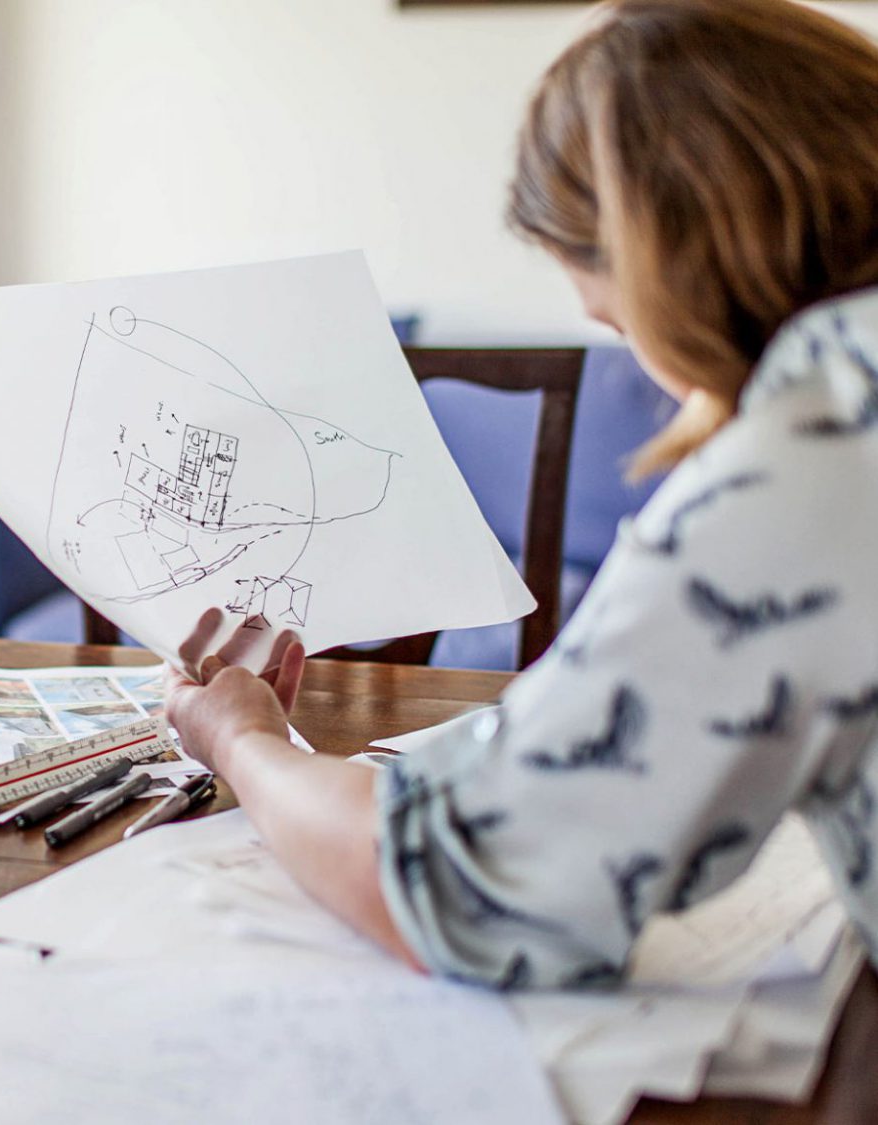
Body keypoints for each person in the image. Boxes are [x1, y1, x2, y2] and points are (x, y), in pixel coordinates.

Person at [164, 0, 878, 989]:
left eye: (621, 323)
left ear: (666, 262)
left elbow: (464, 892)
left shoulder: (807, 457)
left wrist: (240, 741)